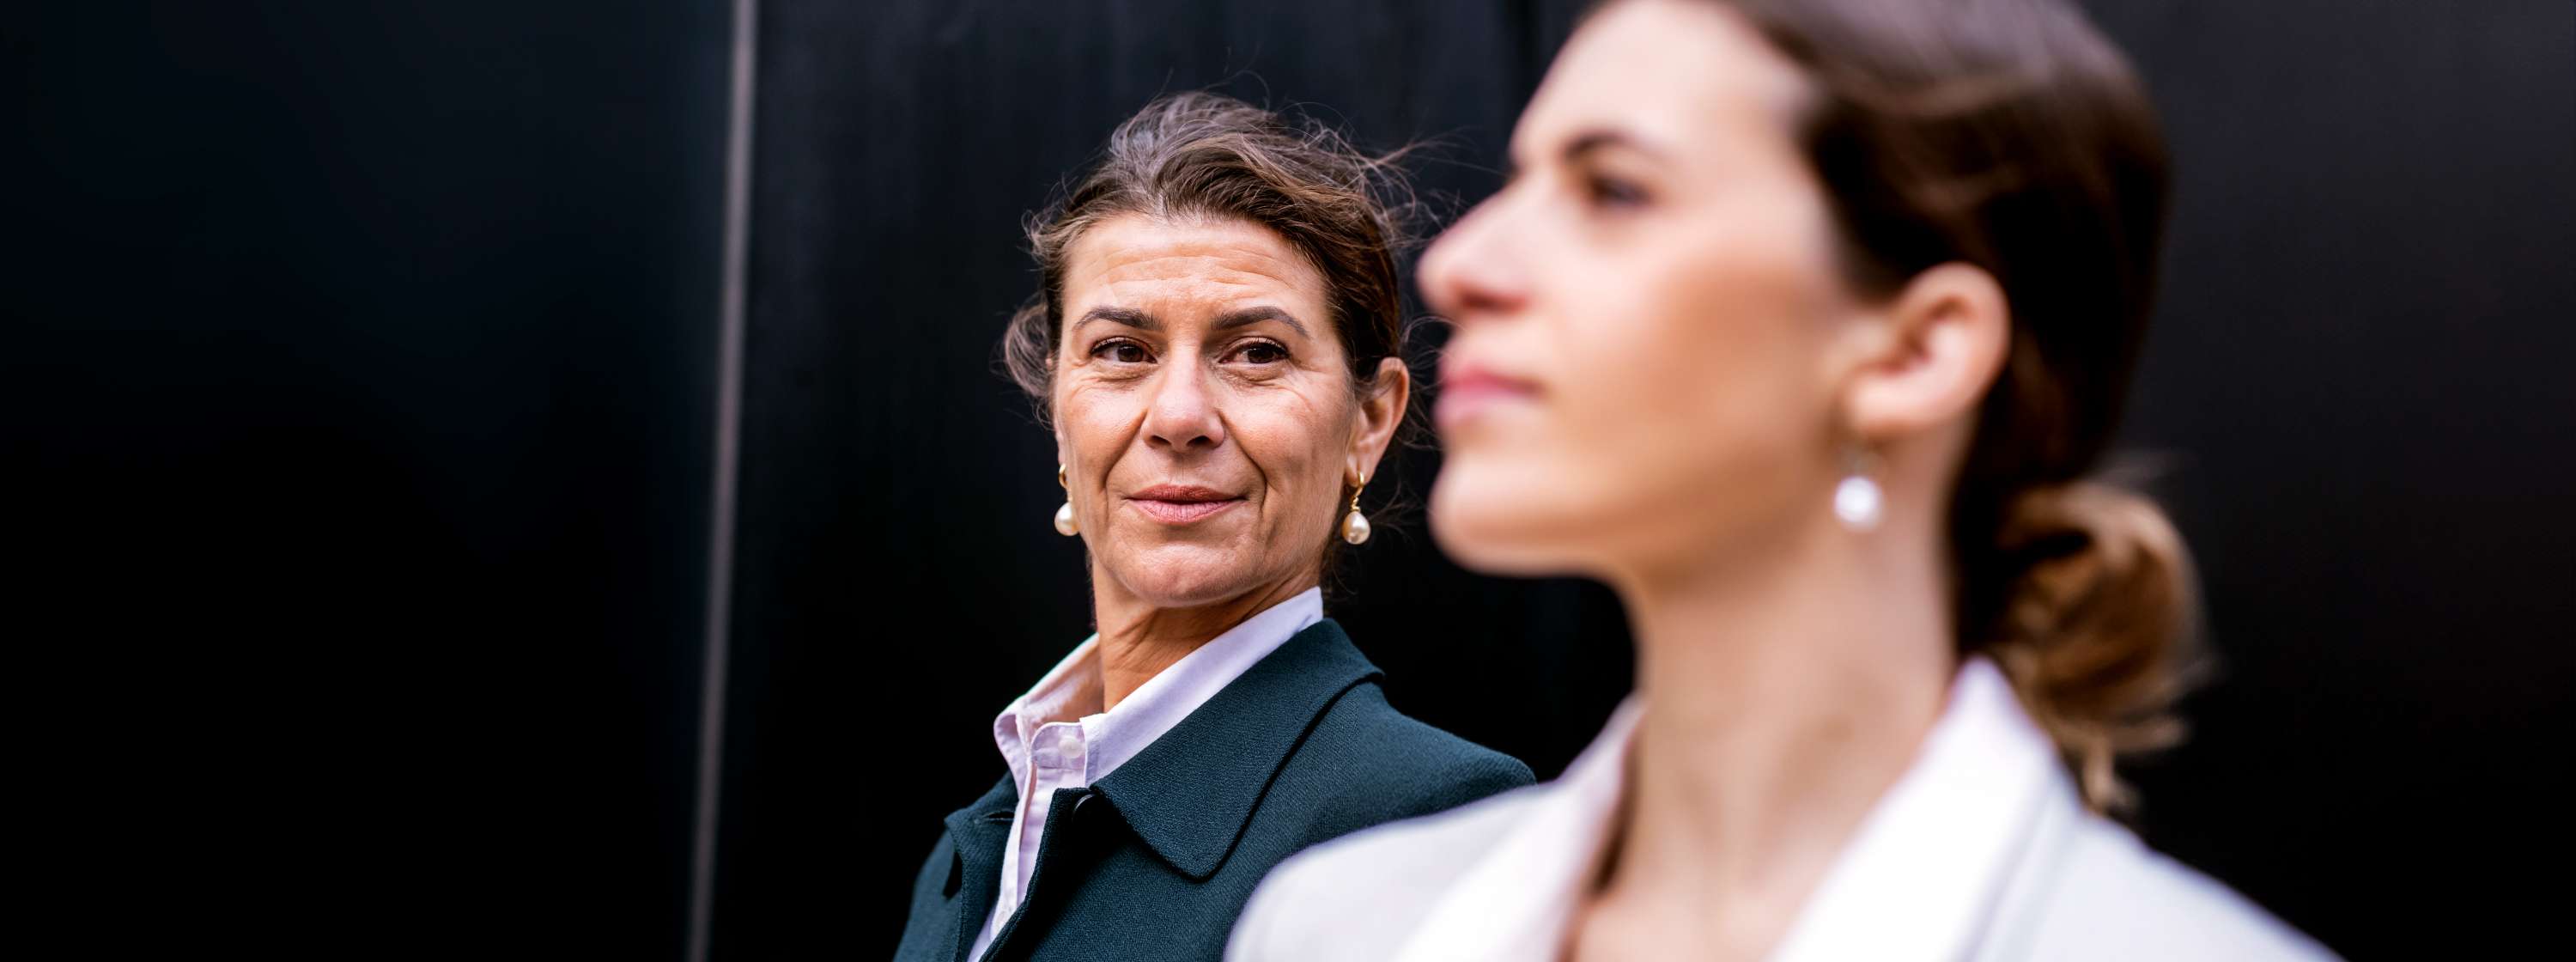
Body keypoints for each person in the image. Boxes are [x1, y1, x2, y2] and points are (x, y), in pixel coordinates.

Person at [1230, 1, 2335, 959]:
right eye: (1524, 181)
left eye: (1613, 190)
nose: (1459, 264)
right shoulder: (1333, 929)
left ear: (1916, 352)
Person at [892, 92, 1534, 962]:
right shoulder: (980, 842)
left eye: (1257, 352)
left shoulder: (1428, 819)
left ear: (1369, 421)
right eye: (1121, 351)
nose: (1180, 416)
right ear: (1056, 408)